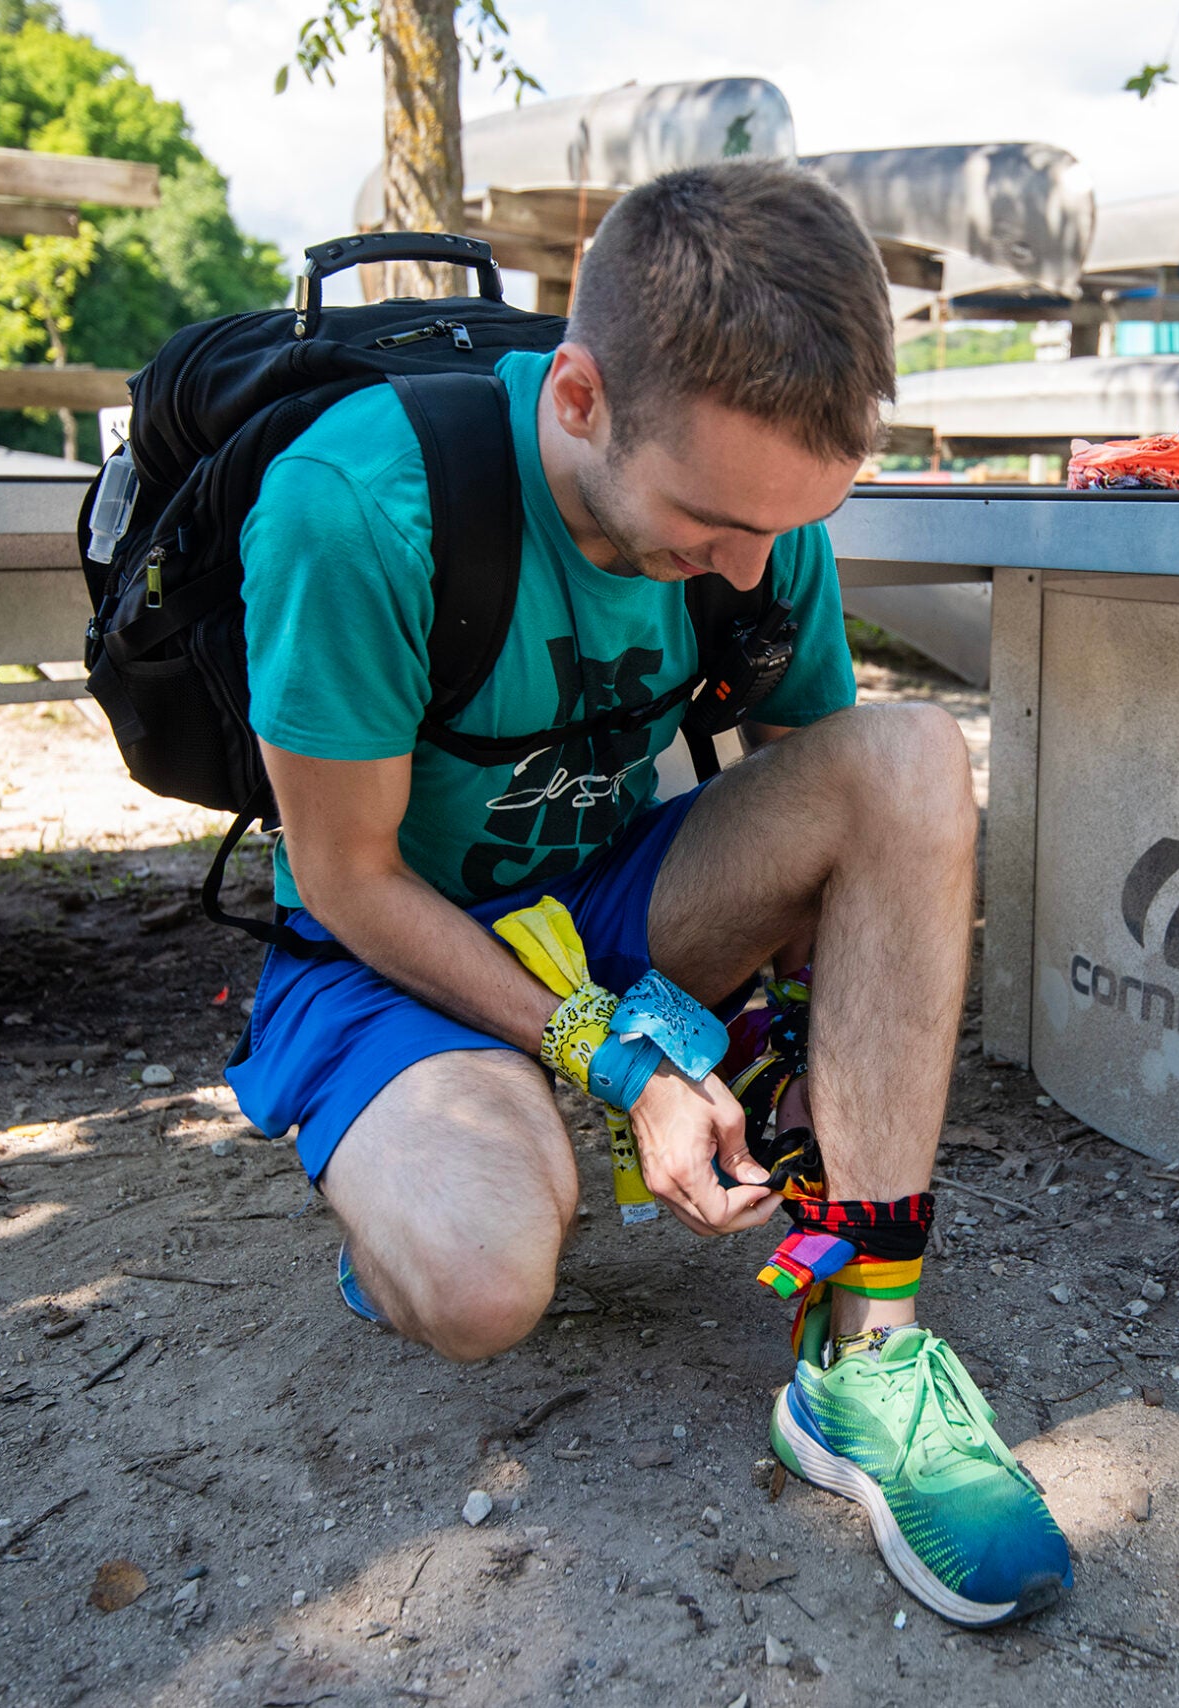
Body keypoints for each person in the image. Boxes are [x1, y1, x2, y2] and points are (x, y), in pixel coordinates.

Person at [225, 160, 1071, 1627]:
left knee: (913, 756)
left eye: (785, 524)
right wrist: (619, 1061)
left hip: (615, 891)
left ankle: (868, 1364)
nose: (749, 565)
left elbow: (835, 798)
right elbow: (352, 883)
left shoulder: (758, 516)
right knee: (485, 1283)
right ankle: (407, 1190)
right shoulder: (354, 509)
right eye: (707, 521)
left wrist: (802, 1051)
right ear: (578, 400)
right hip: (390, 950)